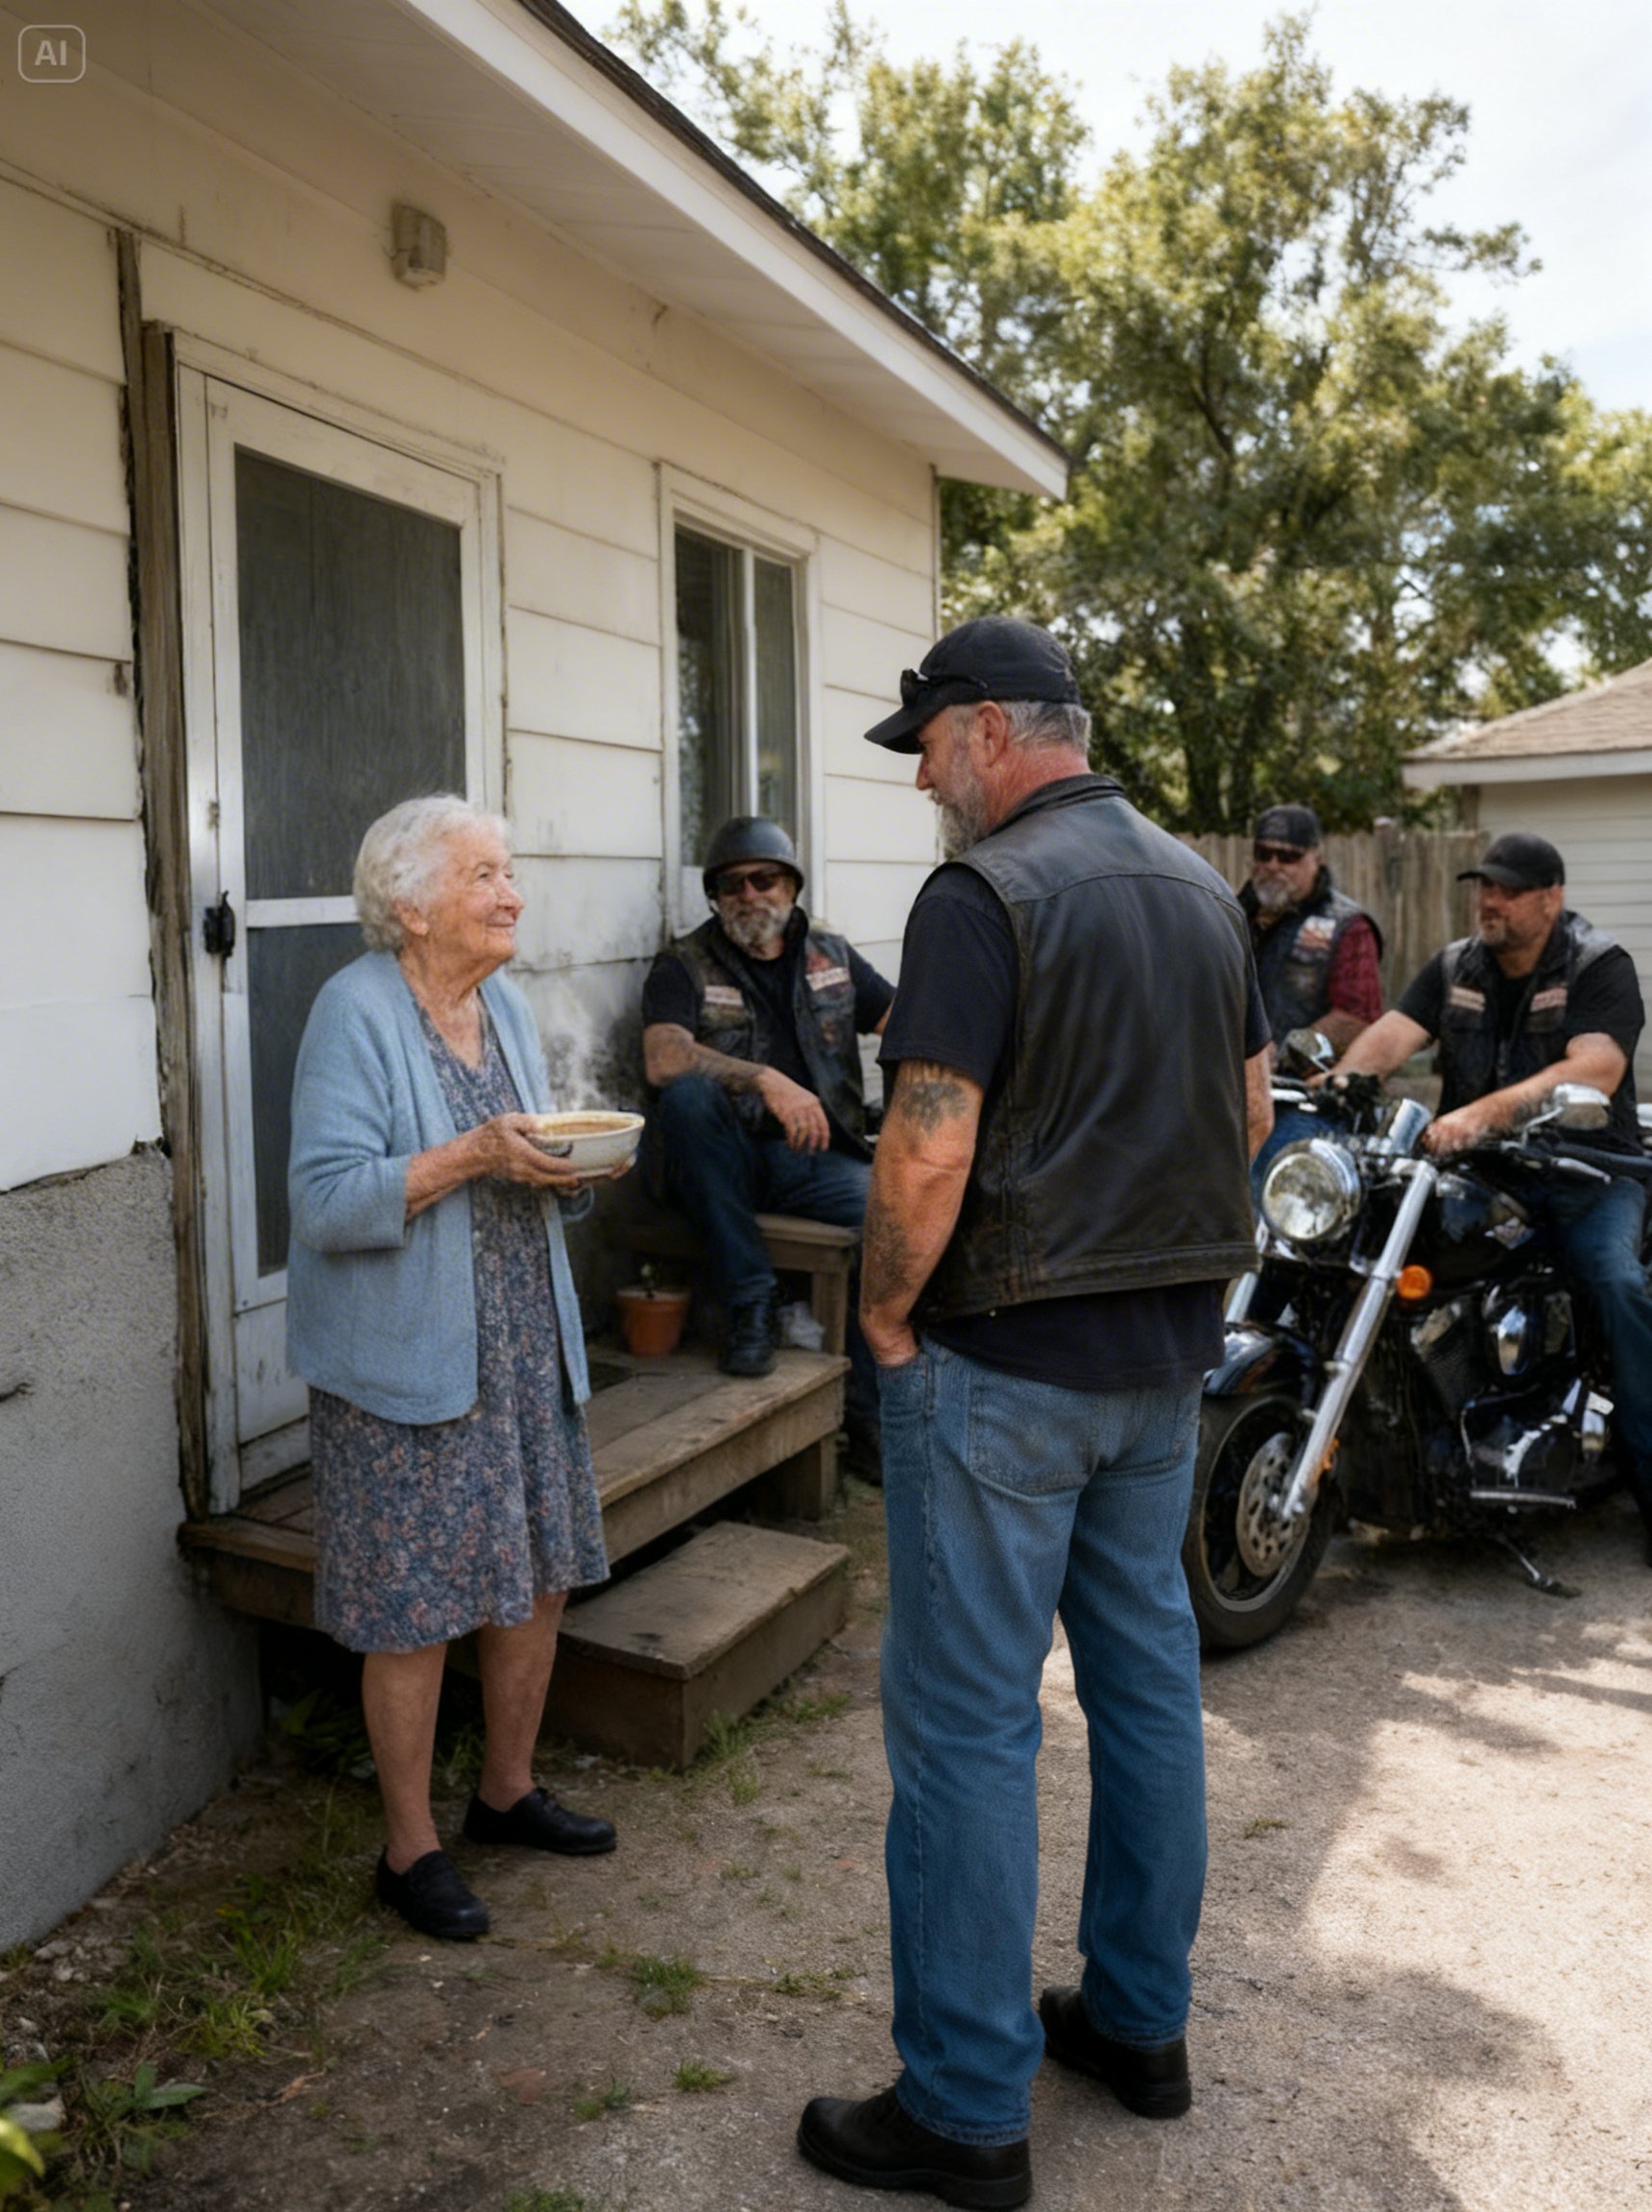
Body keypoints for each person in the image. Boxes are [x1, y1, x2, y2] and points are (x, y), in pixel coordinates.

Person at [797, 617, 1272, 2208]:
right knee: (1143, 1691)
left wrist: (882, 1314)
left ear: (994, 729)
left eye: (928, 745)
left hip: (1002, 1360)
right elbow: (1249, 1108)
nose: (920, 778)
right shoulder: (1201, 888)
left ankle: (962, 2106)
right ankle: (1138, 2026)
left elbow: (927, 1144)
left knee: (967, 1722)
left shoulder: (979, 895)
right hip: (1162, 1361)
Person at [287, 795, 620, 1945]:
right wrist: (475, 1153)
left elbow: (522, 1156)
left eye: (508, 872)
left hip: (523, 1339)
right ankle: (408, 1849)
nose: (510, 894)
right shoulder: (355, 1011)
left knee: (538, 1574)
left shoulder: (502, 1004)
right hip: (406, 1359)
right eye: (483, 876)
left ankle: (506, 1792)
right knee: (414, 1607)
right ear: (413, 904)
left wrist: (569, 1170)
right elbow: (326, 1202)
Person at [1329, 830, 1652, 1561]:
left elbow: (1597, 1068)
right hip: (1482, 1174)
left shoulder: (1598, 964)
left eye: (1507, 890)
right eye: (1484, 887)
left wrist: (1482, 1113)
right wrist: (1340, 1082)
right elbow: (1391, 1036)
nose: (1490, 901)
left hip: (1587, 1173)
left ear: (1551, 899)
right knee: (1363, 1254)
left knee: (1616, 1285)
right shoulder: (1456, 966)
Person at [640, 815, 894, 1440]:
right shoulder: (685, 963)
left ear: (792, 887)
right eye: (732, 884)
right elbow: (663, 1057)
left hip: (817, 1156)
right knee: (686, 1097)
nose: (749, 894)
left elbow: (907, 1022)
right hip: (719, 1163)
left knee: (891, 1215)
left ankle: (870, 1417)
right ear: (714, 897)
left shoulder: (831, 955)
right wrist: (764, 1079)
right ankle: (751, 1306)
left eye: (764, 879)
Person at [1243, 804, 1383, 1182]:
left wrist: (1284, 1050)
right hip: (1230, 1094)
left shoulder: (1347, 926)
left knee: (1268, 1192)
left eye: (1288, 856)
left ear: (1315, 860)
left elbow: (1358, 1017)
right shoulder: (1232, 914)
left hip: (1305, 1102)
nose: (1273, 865)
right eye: (1263, 853)